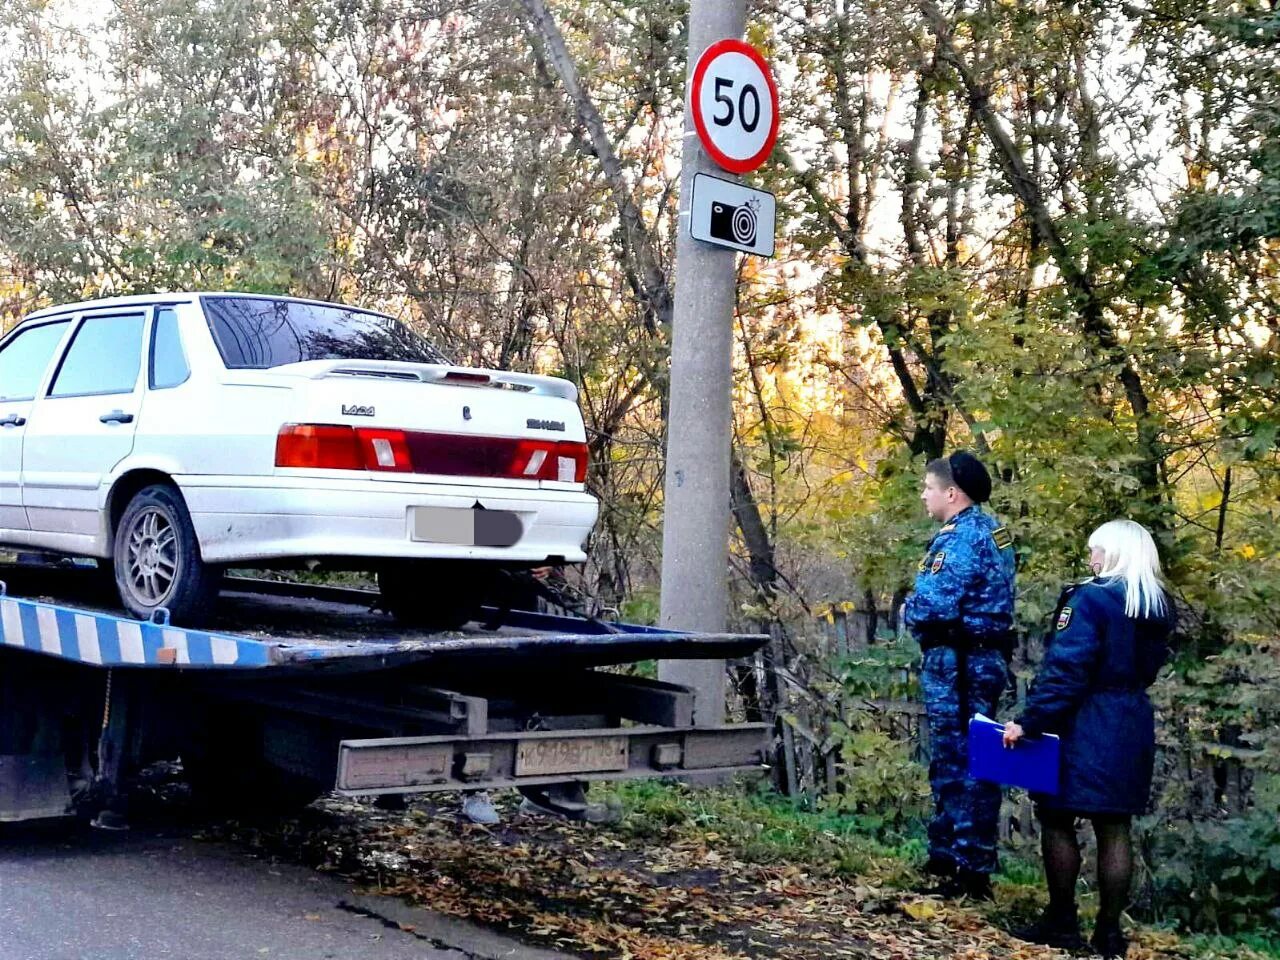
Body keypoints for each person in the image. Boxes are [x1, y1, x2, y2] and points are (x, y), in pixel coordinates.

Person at [1003, 519, 1174, 958]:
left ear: (1115, 553)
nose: (1091, 558)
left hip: (1086, 721)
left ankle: (1062, 922)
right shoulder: (1155, 605)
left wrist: (1031, 720)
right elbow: (1150, 668)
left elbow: (1067, 669)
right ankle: (1109, 933)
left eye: (1097, 550)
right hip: (1131, 720)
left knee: (1057, 816)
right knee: (1115, 826)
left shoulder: (1091, 599)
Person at [903, 452, 1016, 900]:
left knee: (962, 760)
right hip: (977, 659)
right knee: (968, 757)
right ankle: (950, 855)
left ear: (952, 494)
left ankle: (967, 869)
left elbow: (932, 605)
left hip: (961, 663)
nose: (924, 495)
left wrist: (906, 609)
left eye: (929, 488)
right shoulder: (993, 531)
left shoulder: (960, 539)